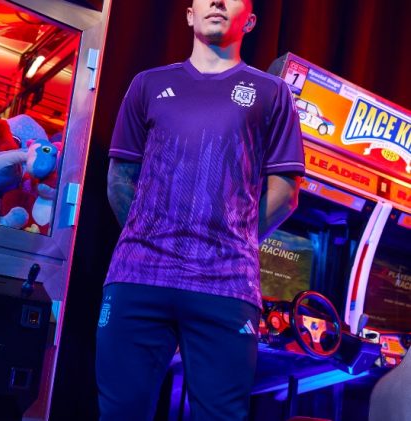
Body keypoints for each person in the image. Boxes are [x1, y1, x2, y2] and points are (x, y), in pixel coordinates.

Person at [96, 0, 305, 420]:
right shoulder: (148, 84)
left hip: (226, 285)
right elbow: (120, 180)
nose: (217, 1)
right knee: (120, 413)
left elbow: (285, 193)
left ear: (250, 20)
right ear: (190, 15)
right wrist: (149, 239)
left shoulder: (272, 93)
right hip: (139, 277)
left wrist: (232, 243)